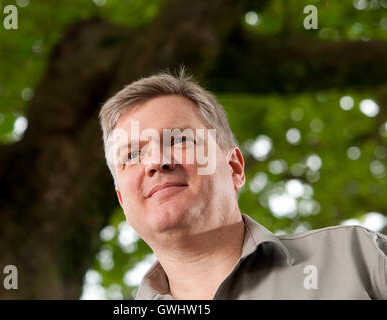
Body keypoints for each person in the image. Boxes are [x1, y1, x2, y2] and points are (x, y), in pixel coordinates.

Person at [98, 69, 387, 300]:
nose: (155, 162)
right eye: (132, 155)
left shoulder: (358, 258)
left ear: (234, 167)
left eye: (179, 140)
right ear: (123, 201)